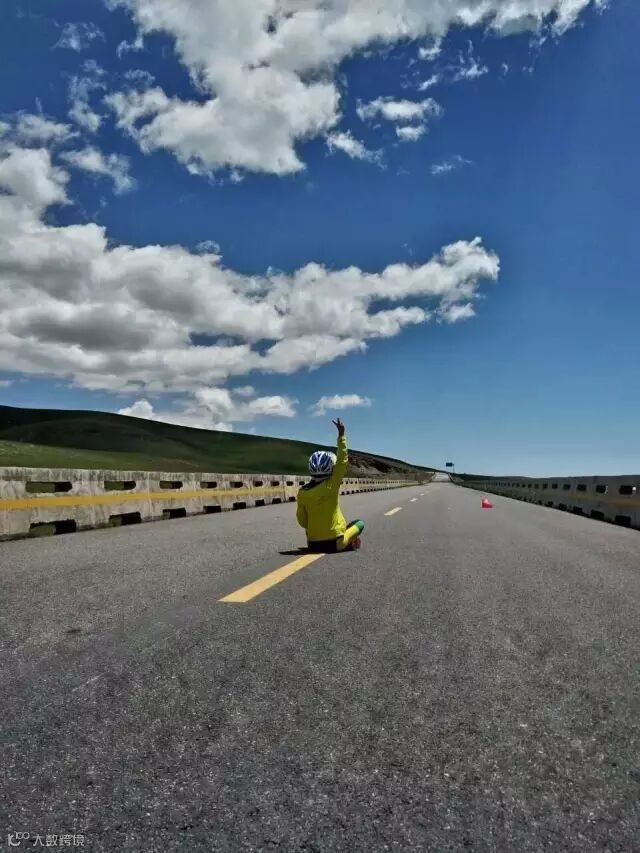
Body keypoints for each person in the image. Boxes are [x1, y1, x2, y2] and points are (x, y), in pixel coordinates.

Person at [296, 418, 365, 553]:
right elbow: (342, 461)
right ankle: (349, 543)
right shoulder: (331, 485)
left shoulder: (302, 492)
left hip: (313, 545)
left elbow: (302, 522)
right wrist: (341, 435)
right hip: (335, 543)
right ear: (330, 468)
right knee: (359, 524)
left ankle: (338, 540)